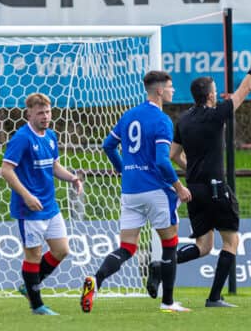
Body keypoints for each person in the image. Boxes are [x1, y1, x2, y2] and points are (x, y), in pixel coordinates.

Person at [147, 35, 251, 308]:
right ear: (211, 95)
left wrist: (190, 169)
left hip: (194, 190)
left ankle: (160, 265)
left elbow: (172, 155)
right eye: (215, 90)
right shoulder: (216, 114)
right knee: (231, 241)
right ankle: (214, 297)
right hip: (215, 188)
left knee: (203, 247)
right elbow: (246, 87)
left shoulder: (184, 119)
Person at [79, 70, 192, 313]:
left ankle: (96, 281)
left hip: (130, 191)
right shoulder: (162, 121)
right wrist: (179, 187)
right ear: (160, 90)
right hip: (155, 191)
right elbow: (163, 161)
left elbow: (108, 146)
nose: (173, 91)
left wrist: (125, 170)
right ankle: (168, 302)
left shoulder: (129, 115)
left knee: (127, 248)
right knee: (170, 244)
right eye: (170, 87)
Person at [0, 93, 84, 315]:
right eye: (40, 113)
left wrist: (73, 178)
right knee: (33, 256)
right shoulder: (22, 138)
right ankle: (36, 304)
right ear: (29, 113)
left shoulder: (51, 136)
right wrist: (27, 195)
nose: (45, 116)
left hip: (50, 206)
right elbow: (6, 170)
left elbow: (55, 166)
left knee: (61, 250)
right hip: (29, 208)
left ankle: (29, 285)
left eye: (47, 112)